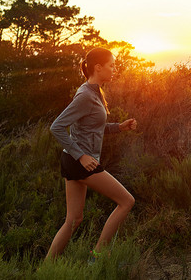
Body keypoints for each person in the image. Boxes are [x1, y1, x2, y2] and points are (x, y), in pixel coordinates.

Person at [47, 47, 137, 259]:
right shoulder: (85, 95)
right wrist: (81, 156)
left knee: (74, 220)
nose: (115, 69)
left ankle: (46, 268)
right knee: (126, 202)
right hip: (80, 162)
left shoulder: (96, 92)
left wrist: (119, 127)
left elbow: (93, 127)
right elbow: (56, 127)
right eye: (112, 65)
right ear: (98, 67)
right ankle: (98, 256)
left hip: (74, 161)